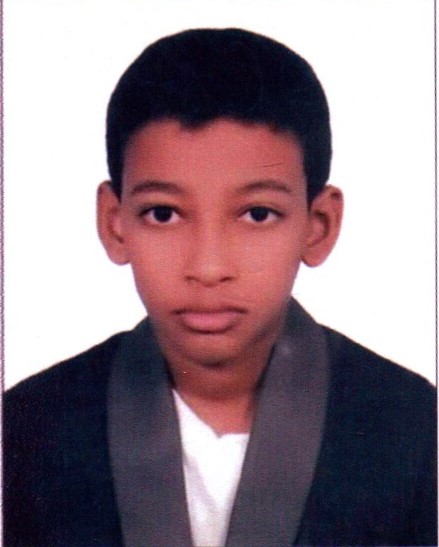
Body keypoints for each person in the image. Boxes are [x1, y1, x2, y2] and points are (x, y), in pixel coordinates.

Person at [4, 28, 436, 547]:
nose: (208, 268)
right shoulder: (26, 430)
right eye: (163, 214)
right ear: (114, 223)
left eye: (258, 214)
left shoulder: (414, 430)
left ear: (318, 226)